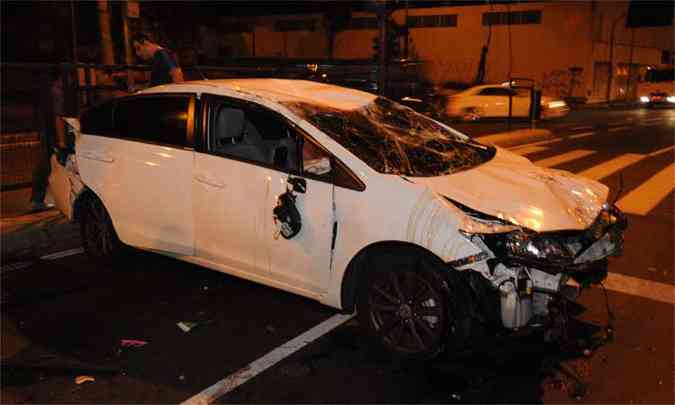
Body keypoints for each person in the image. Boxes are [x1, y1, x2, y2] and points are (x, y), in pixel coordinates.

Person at [29, 66, 64, 212]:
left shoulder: (46, 93)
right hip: (53, 135)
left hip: (46, 133)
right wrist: (61, 140)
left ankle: (38, 199)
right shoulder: (57, 93)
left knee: (46, 164)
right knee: (52, 164)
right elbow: (58, 117)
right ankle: (40, 199)